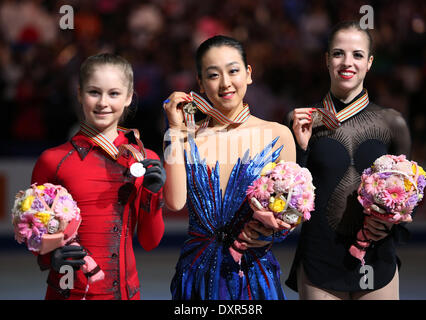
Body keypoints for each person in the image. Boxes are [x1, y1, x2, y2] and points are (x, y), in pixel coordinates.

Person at [163, 35, 296, 299]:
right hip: (196, 278)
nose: (225, 83)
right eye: (213, 75)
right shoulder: (186, 138)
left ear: (248, 74)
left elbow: (294, 210)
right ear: (200, 83)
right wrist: (175, 131)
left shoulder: (277, 135)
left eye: (233, 71)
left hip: (253, 276)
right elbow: (175, 202)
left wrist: (269, 235)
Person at [285, 21, 412, 300]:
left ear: (369, 62)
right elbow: (288, 204)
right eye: (338, 53)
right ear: (327, 60)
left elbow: (409, 193)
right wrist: (302, 148)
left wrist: (392, 221)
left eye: (357, 55)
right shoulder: (302, 121)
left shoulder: (392, 123)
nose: (347, 62)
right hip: (320, 259)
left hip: (377, 258)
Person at [31, 53, 166, 300]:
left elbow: (150, 241)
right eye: (94, 92)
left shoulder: (145, 160)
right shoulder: (51, 160)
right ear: (80, 94)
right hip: (66, 294)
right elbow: (35, 235)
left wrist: (153, 195)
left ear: (128, 97)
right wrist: (50, 256)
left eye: (113, 93)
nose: (103, 102)